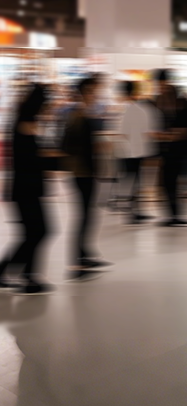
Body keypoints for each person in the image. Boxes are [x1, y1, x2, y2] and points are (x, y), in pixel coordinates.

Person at [0, 85, 55, 294]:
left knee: (35, 232)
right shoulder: (25, 124)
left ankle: (27, 275)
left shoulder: (24, 122)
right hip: (25, 188)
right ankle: (27, 276)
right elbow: (30, 159)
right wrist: (49, 157)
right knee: (38, 231)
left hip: (26, 187)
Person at [62, 75, 111, 278]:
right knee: (83, 216)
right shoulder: (77, 115)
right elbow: (67, 145)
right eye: (92, 91)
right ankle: (76, 263)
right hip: (82, 171)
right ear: (83, 93)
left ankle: (84, 254)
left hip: (87, 170)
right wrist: (94, 147)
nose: (96, 95)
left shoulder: (83, 114)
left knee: (89, 215)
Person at [154, 71, 187, 226]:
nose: (161, 87)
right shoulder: (159, 101)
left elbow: (186, 130)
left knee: (175, 183)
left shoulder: (182, 103)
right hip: (168, 150)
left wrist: (167, 135)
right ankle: (173, 215)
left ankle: (176, 215)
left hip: (178, 149)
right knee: (167, 183)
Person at [116, 81, 156, 225]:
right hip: (133, 150)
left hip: (126, 150)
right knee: (134, 180)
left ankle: (134, 210)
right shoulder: (136, 108)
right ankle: (132, 211)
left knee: (132, 180)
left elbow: (123, 132)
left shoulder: (123, 108)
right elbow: (141, 131)